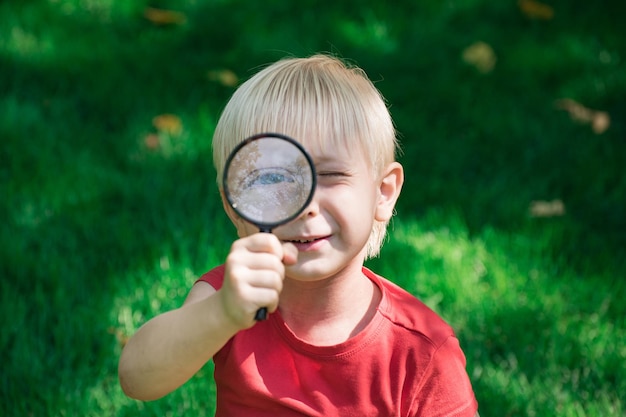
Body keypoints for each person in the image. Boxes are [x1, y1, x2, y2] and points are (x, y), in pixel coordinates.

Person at [118, 54, 479, 417]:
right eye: (273, 179)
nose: (304, 205)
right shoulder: (230, 298)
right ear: (235, 207)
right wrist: (220, 314)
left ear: (382, 193)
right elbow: (138, 379)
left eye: (331, 175)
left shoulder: (422, 351)